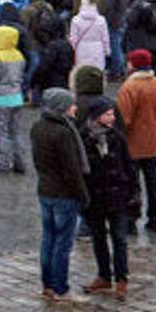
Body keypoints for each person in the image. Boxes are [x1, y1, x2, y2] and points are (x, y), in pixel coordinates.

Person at [31, 88, 89, 300]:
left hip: (45, 191)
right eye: (71, 104)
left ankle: (47, 285)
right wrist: (83, 195)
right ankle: (60, 288)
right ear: (61, 108)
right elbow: (72, 170)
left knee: (48, 240)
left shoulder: (37, 127)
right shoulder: (63, 133)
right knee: (62, 244)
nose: (75, 107)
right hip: (63, 194)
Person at [79, 95, 137, 299]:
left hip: (117, 195)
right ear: (96, 117)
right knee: (99, 238)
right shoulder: (84, 139)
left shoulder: (117, 137)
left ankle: (122, 278)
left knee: (119, 238)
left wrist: (134, 194)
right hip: (95, 197)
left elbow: (129, 167)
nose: (112, 117)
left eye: (112, 113)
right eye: (108, 114)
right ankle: (104, 275)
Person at [115, 49, 156, 228]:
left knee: (131, 183)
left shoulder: (129, 87)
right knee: (152, 182)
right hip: (151, 142)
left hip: (131, 144)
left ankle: (131, 219)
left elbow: (123, 118)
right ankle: (155, 218)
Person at [0, 25, 30, 174]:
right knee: (17, 132)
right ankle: (19, 163)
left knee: (1, 132)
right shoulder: (19, 56)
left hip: (1, 99)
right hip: (17, 98)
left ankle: (2, 164)